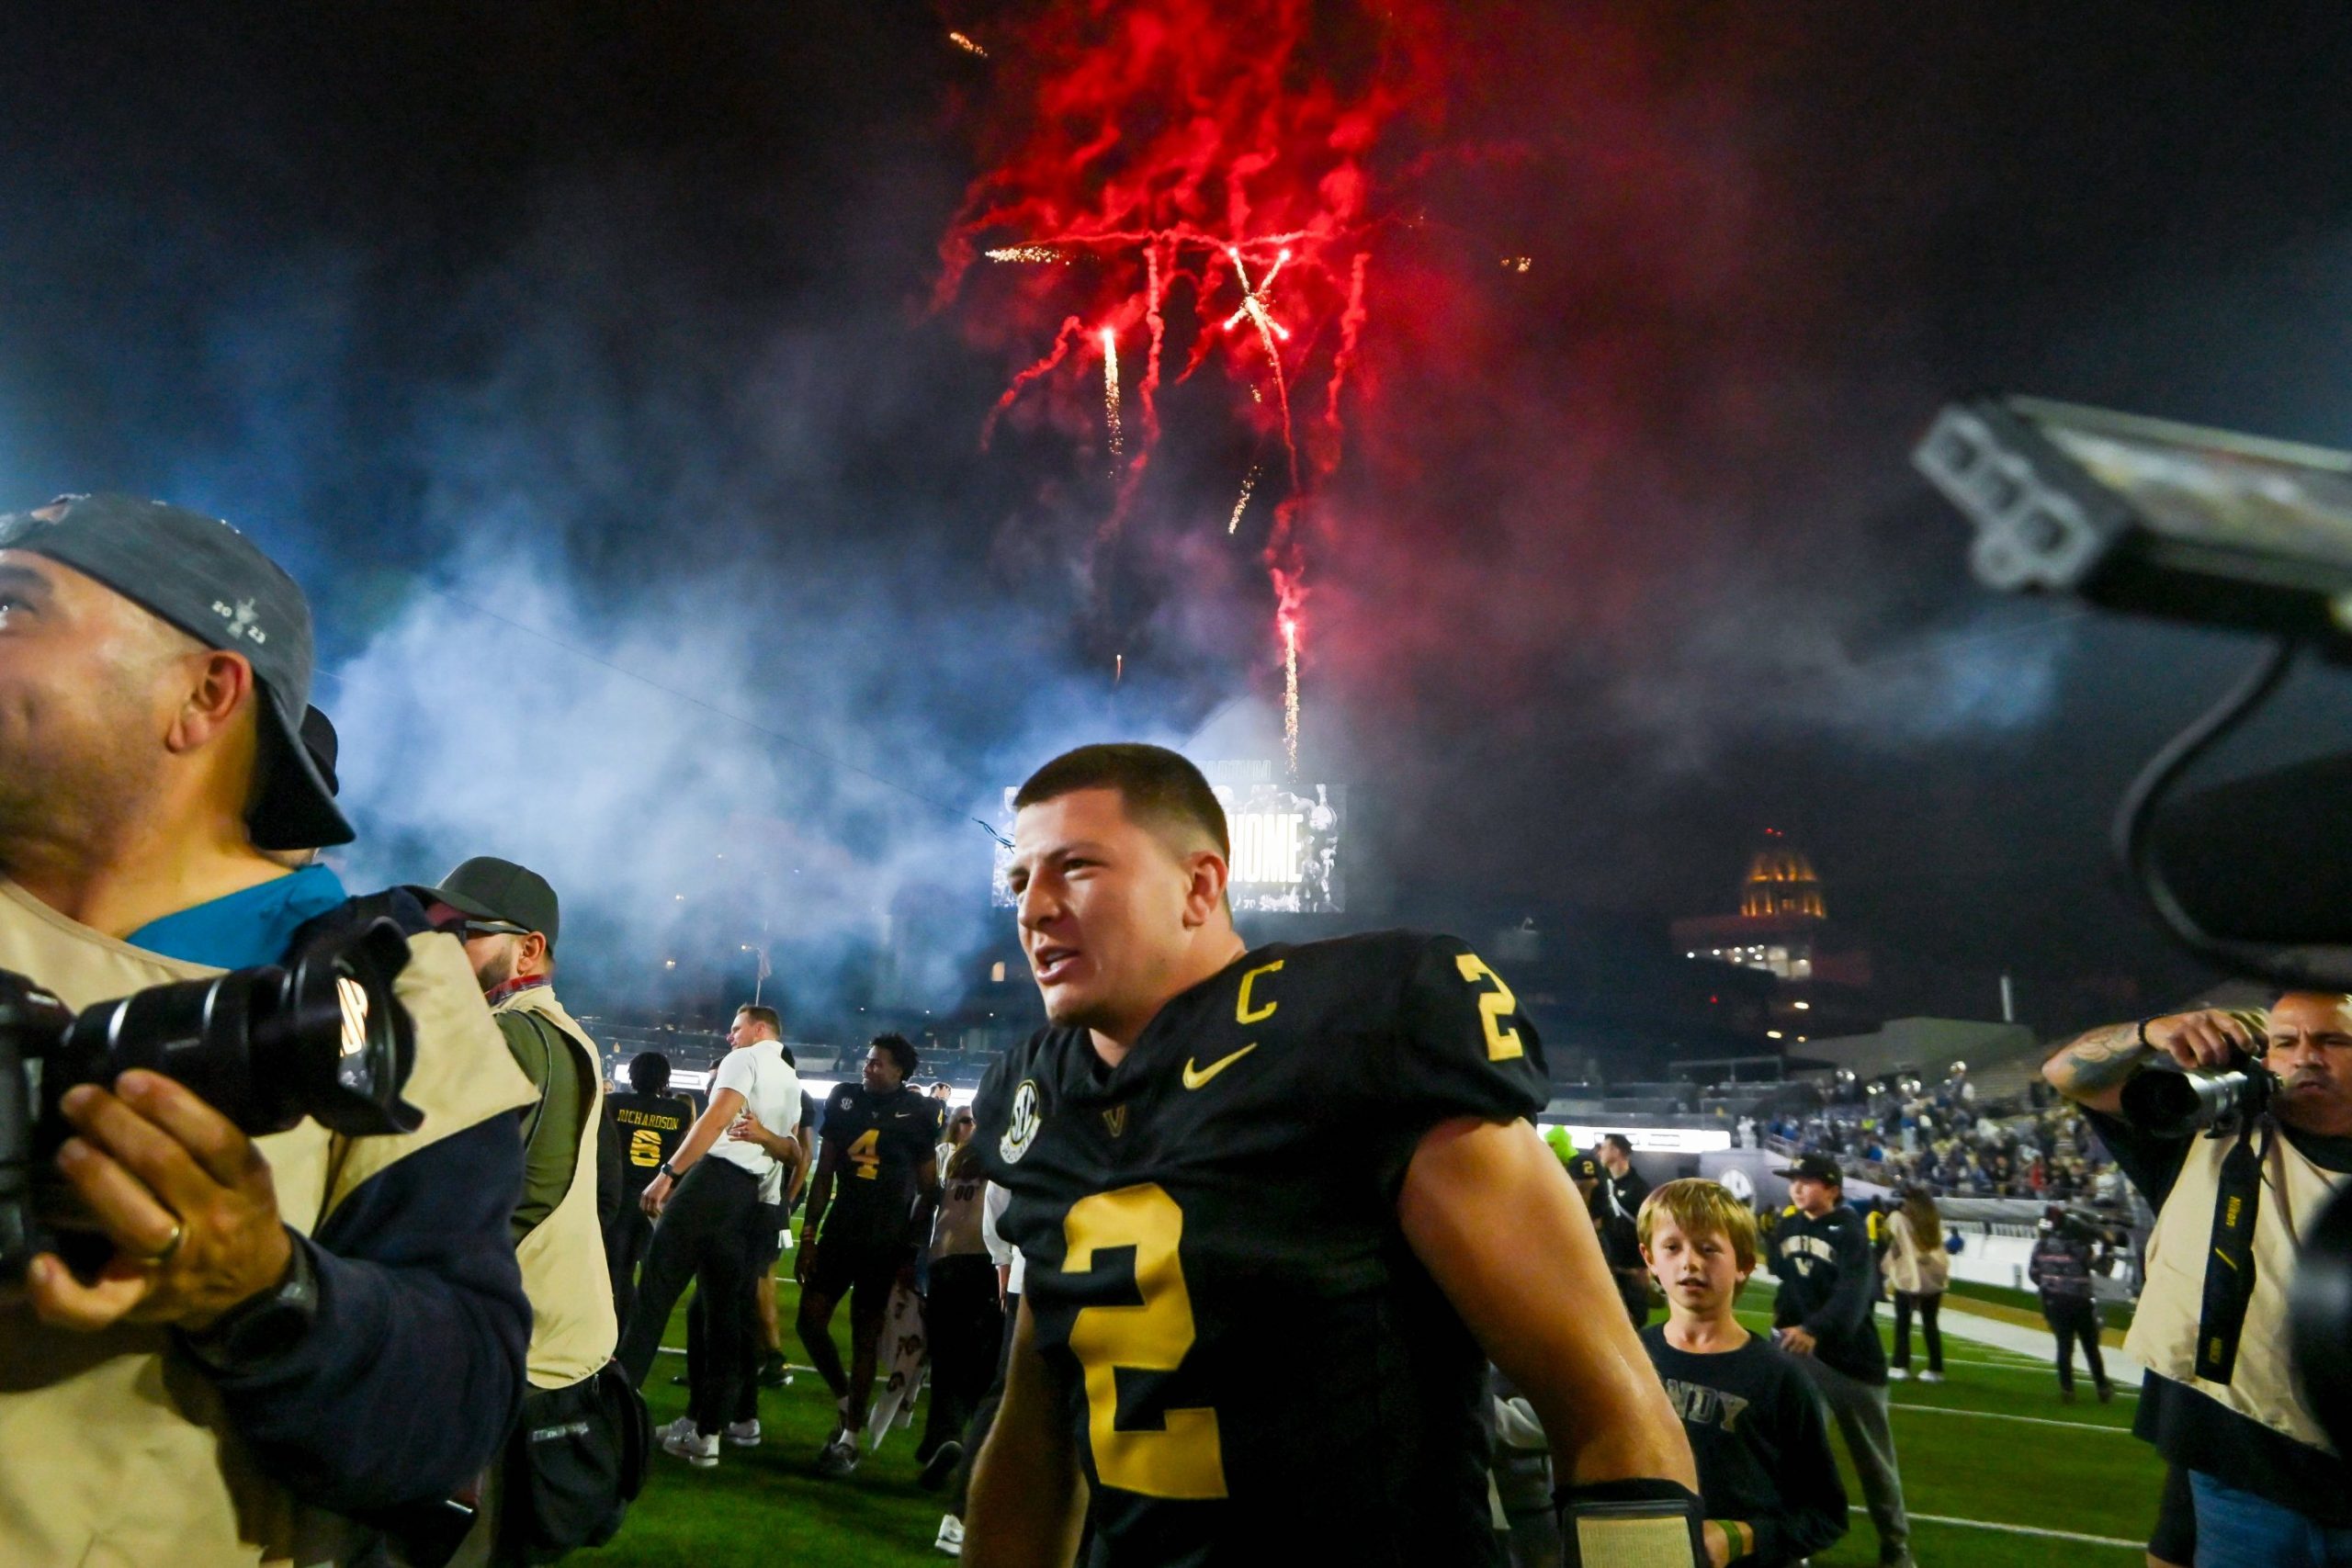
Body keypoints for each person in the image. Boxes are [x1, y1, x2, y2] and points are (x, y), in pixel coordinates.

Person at [966, 743, 1701, 1566]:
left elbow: (1611, 1413)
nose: (1035, 907)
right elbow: (1034, 1437)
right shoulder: (1037, 1095)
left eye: (1078, 868)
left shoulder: (1363, 1027)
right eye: (1022, 879)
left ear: (1201, 885)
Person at [0, 492, 536, 1562]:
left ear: (204, 694)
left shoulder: (379, 988)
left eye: (16, 608)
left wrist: (264, 1292)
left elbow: (457, 1404)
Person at [2043, 998, 2352, 1565]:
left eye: (2333, 1042)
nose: (2307, 1057)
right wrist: (2149, 1031)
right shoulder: (2202, 1134)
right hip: (2240, 1475)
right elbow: (2065, 1073)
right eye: (2286, 1042)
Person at [424, 855, 622, 1562]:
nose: (441, 946)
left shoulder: (514, 1031)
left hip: (513, 1357)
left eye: (463, 931)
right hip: (540, 1346)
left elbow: (513, 1201)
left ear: (529, 947)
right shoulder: (548, 1028)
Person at [616, 1002, 800, 1468]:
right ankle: (707, 1434)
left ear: (760, 1030)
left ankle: (611, 1414)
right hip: (747, 1200)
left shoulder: (747, 1058)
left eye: (736, 1028)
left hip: (712, 1183)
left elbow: (715, 1117)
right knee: (722, 1319)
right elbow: (792, 1151)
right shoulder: (791, 1080)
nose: (729, 1036)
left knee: (653, 1297)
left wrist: (669, 1174)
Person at [1639, 1179, 1848, 1568]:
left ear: (1744, 1264)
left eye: (1708, 1249)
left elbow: (1825, 1513)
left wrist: (1739, 1537)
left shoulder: (1779, 1377)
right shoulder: (1628, 1359)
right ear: (1649, 1259)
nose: (1689, 1263)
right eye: (1672, 1247)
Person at [797, 1032, 944, 1477]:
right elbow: (824, 1173)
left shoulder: (920, 1113)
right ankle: (847, 1404)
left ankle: (850, 1439)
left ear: (900, 1071)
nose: (869, 1066)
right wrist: (808, 1234)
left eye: (879, 1063)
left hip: (886, 1240)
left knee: (865, 1335)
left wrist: (913, 1249)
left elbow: (930, 1190)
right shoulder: (844, 1099)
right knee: (809, 1321)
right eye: (868, 1060)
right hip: (842, 1229)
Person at [1770, 1153, 1913, 1568]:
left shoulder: (1850, 1231)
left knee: (1874, 1462)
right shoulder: (1789, 1223)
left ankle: (1896, 1546)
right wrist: (1784, 1325)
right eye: (1794, 1179)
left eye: (1807, 1180)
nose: (1797, 1187)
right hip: (1798, 1356)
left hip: (1852, 1363)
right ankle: (1797, 1544)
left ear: (1832, 1188)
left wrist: (1813, 1328)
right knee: (1795, 1455)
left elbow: (1854, 1295)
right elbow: (1786, 1281)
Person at [917, 1128, 1001, 1494]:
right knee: (986, 1372)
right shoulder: (1006, 1160)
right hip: (989, 1267)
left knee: (947, 1362)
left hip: (946, 1263)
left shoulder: (958, 1159)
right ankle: (974, 1458)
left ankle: (945, 1438)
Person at [605, 1051, 693, 1319]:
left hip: (617, 1196)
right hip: (656, 1199)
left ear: (631, 1075)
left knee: (616, 1271)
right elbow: (681, 1156)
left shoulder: (613, 1103)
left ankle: (616, 1336)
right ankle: (633, 1332)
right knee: (650, 1273)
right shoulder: (679, 1111)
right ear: (665, 1079)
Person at [2027, 1203, 2111, 1404]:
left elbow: (2034, 1274)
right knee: (2091, 1346)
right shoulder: (2080, 1248)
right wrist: (2108, 1247)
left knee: (2064, 1346)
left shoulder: (2041, 1245)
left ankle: (2067, 1389)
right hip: (2080, 1301)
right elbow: (2104, 1269)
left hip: (2054, 1302)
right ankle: (2102, 1387)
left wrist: (2050, 1284)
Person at [1883, 1186, 1947, 1383]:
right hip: (1933, 1278)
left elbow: (1886, 1236)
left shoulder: (1899, 1219)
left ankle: (1900, 1365)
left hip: (1909, 1278)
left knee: (1903, 1324)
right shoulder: (1934, 1222)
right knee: (1930, 1325)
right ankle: (1936, 1369)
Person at [1597, 1132, 1656, 1326]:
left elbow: (1649, 1229)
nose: (1600, 1153)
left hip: (1632, 1273)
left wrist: (1645, 1267)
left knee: (1635, 1325)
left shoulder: (1638, 1189)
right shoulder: (1604, 1184)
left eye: (1604, 1148)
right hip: (1609, 1271)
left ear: (1617, 1151)